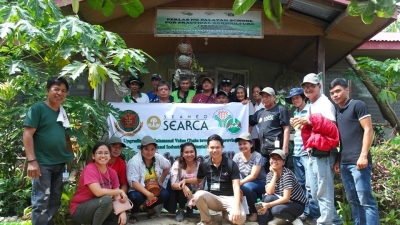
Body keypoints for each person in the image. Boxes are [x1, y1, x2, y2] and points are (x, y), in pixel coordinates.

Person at [291, 73, 343, 225]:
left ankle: (325, 223)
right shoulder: (312, 105)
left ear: (319, 86)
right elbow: (314, 129)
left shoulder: (325, 103)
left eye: (311, 86)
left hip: (325, 153)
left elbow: (331, 127)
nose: (308, 89)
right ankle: (336, 222)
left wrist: (309, 120)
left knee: (323, 192)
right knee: (314, 192)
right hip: (314, 152)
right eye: (305, 87)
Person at [23, 77, 74, 224]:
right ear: (47, 90)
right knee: (41, 202)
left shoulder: (62, 112)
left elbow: (65, 136)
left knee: (54, 201)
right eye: (56, 89)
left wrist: (72, 160)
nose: (60, 93)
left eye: (63, 90)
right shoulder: (38, 108)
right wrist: (32, 161)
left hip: (60, 163)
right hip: (42, 164)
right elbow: (27, 134)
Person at [330, 78, 380, 225]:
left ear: (347, 90)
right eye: (332, 93)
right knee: (353, 201)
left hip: (359, 163)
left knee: (366, 201)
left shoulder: (357, 105)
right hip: (345, 163)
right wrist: (339, 159)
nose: (335, 95)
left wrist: (363, 155)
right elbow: (344, 139)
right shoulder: (338, 112)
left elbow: (368, 129)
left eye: (338, 91)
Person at [179, 134, 246, 225]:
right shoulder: (205, 163)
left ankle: (226, 216)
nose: (215, 150)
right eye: (212, 147)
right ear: (207, 148)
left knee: (240, 219)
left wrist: (237, 208)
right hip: (213, 198)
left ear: (222, 147)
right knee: (199, 195)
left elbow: (236, 186)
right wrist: (185, 181)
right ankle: (206, 221)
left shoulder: (231, 164)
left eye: (217, 147)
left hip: (229, 198)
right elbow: (199, 180)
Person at [70, 142, 128, 225]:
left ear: (109, 156)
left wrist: (122, 211)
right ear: (93, 156)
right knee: (107, 200)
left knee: (121, 219)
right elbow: (98, 192)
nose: (103, 156)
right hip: (80, 209)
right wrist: (119, 191)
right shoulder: (89, 169)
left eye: (106, 153)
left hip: (100, 208)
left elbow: (116, 196)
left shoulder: (112, 173)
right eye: (100, 153)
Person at [285, 88, 320, 223]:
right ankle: (305, 212)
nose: (295, 100)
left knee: (311, 186)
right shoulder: (295, 112)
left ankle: (316, 215)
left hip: (307, 153)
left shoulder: (310, 110)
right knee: (300, 184)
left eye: (297, 97)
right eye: (293, 99)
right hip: (297, 153)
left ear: (303, 97)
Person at [126, 136, 171, 224]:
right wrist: (148, 194)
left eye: (152, 149)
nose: (150, 152)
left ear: (155, 150)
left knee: (165, 194)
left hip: (153, 187)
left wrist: (161, 181)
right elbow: (133, 182)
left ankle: (148, 207)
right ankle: (134, 211)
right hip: (138, 189)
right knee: (135, 197)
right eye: (146, 149)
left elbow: (167, 166)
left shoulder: (157, 157)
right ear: (141, 149)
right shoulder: (134, 161)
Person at [256, 150, 306, 225]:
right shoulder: (270, 174)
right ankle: (280, 218)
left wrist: (268, 205)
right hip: (285, 201)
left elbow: (286, 198)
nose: (275, 161)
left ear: (283, 162)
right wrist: (275, 175)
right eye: (273, 158)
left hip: (296, 204)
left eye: (278, 159)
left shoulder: (287, 174)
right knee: (267, 198)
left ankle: (294, 219)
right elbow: (270, 192)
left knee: (276, 210)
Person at [249, 87, 290, 171]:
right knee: (265, 174)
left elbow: (286, 128)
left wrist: (285, 147)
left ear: (274, 97)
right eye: (263, 97)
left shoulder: (280, 110)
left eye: (268, 96)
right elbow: (249, 123)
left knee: (279, 173)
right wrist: (247, 139)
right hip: (264, 151)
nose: (265, 99)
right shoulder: (259, 112)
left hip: (277, 150)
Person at [232, 132, 266, 222]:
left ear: (251, 144)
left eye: (245, 143)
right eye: (240, 144)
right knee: (243, 187)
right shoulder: (237, 157)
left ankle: (255, 212)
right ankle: (258, 211)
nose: (242, 146)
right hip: (248, 184)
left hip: (262, 183)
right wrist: (237, 185)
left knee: (246, 187)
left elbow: (253, 176)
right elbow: (232, 173)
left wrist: (239, 184)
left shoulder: (257, 156)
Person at [166, 142, 203, 222]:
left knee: (200, 195)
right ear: (182, 154)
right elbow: (173, 185)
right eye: (186, 152)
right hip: (179, 192)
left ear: (195, 153)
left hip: (194, 191)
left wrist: (196, 194)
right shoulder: (177, 164)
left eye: (191, 152)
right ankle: (181, 210)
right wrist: (184, 187)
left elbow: (200, 184)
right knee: (186, 185)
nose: (189, 154)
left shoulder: (200, 165)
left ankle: (191, 209)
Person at [250, 85, 263, 153]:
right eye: (254, 92)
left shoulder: (264, 104)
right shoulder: (254, 105)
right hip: (255, 134)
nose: (256, 93)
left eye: (258, 91)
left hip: (263, 134)